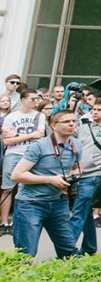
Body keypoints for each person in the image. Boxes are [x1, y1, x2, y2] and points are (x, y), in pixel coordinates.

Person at [10, 109, 82, 258]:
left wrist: (71, 178)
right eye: (66, 121)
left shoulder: (76, 145)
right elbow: (17, 175)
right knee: (25, 253)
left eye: (74, 121)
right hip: (31, 203)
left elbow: (77, 169)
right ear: (53, 125)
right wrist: (50, 179)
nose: (71, 124)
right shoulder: (39, 146)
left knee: (69, 251)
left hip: (58, 202)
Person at [70, 98, 101, 254]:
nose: (95, 112)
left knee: (79, 211)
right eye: (94, 109)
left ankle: (66, 250)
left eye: (99, 110)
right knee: (85, 212)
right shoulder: (83, 127)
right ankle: (89, 247)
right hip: (81, 174)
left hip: (97, 175)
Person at [1, 86, 45, 236]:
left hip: (30, 155)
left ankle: (17, 221)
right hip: (13, 154)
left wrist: (17, 134)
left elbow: (40, 135)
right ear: (23, 100)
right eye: (33, 99)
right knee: (7, 188)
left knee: (23, 189)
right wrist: (29, 135)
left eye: (37, 99)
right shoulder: (11, 117)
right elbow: (7, 141)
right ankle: (4, 221)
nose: (36, 102)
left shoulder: (39, 116)